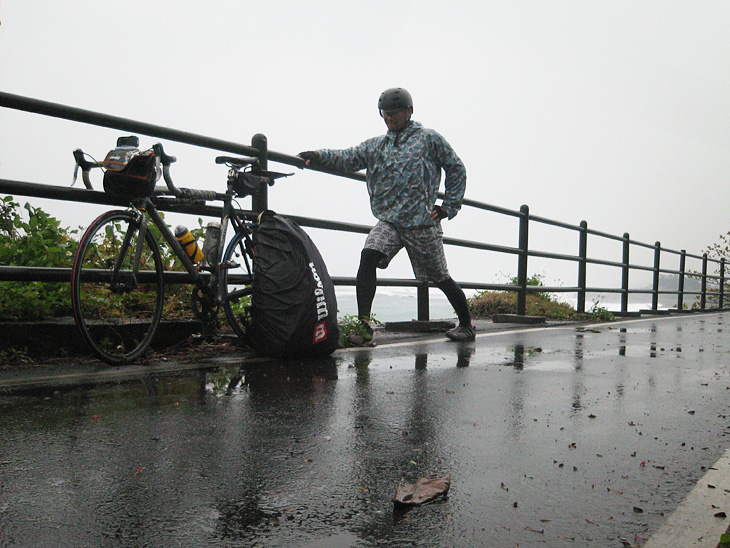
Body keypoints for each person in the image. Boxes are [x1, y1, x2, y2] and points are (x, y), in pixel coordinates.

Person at [298, 87, 475, 345]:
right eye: (385, 113)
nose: (389, 118)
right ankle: (364, 327)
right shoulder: (376, 146)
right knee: (368, 256)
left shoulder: (429, 139)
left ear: (409, 112)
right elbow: (347, 158)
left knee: (440, 277)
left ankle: (466, 325)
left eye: (394, 113)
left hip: (422, 223)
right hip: (389, 221)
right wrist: (317, 156)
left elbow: (456, 168)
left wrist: (449, 205)